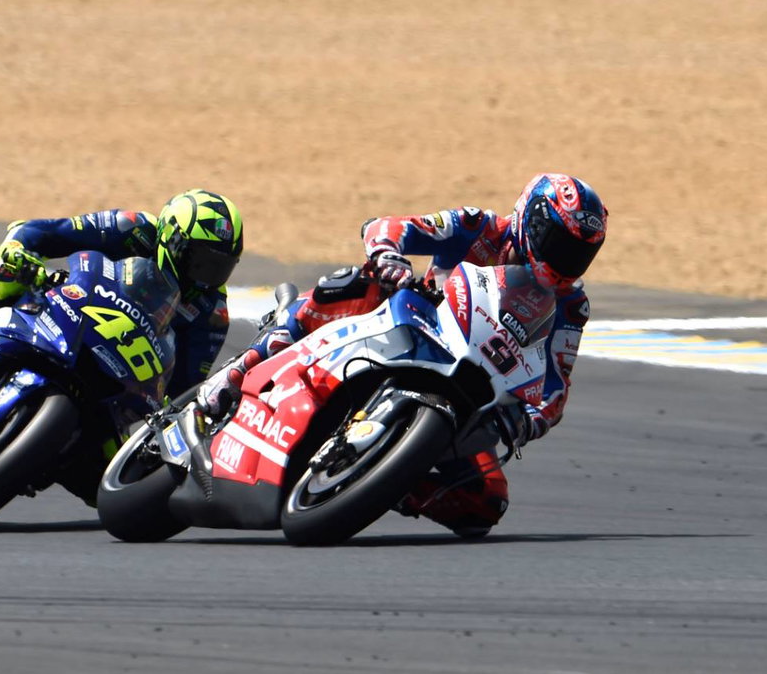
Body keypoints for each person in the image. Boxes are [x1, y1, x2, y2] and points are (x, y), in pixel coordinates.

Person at [195, 173, 608, 536]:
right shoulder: (478, 226)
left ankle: (384, 479)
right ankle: (242, 368)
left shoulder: (571, 306)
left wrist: (528, 421)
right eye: (560, 244)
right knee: (355, 284)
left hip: (472, 383)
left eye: (580, 254)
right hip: (412, 325)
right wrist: (388, 254)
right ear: (531, 221)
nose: (567, 261)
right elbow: (389, 226)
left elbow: (556, 386)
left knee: (484, 504)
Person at [0, 189, 246, 405]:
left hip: (118, 383)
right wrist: (17, 250)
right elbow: (45, 232)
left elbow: (182, 392)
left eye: (220, 267)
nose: (207, 277)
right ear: (171, 239)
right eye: (200, 261)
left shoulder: (212, 313)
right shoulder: (132, 229)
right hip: (68, 316)